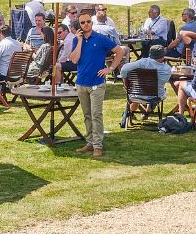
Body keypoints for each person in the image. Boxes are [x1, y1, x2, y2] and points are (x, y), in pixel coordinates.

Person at [73, 11, 119, 157]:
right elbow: (74, 60)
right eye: (82, 22)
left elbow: (119, 51)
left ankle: (98, 145)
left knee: (96, 114)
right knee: (87, 115)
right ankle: (90, 142)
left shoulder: (100, 38)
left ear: (92, 23)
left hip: (97, 83)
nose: (86, 24)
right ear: (79, 25)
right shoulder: (76, 40)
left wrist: (110, 69)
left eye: (88, 21)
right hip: (81, 82)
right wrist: (79, 41)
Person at [118, 45, 173, 125]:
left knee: (138, 92)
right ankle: (147, 112)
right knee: (159, 89)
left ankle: (131, 112)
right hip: (155, 95)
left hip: (137, 93)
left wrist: (125, 80)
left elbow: (124, 69)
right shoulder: (167, 69)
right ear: (163, 56)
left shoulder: (143, 62)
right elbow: (164, 81)